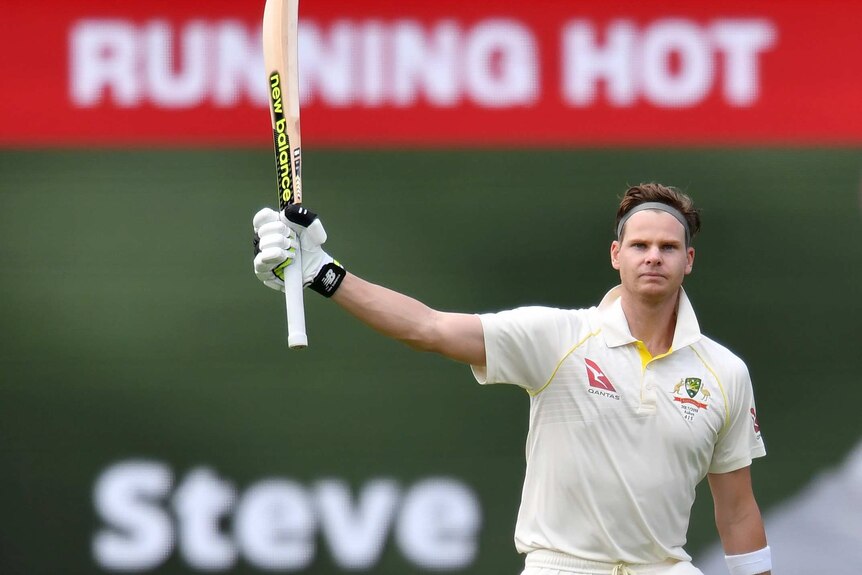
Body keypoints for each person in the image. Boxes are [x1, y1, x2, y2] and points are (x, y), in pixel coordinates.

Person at [252, 183, 771, 575]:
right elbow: (429, 327)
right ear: (617, 256)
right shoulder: (559, 336)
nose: (653, 256)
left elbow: (738, 509)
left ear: (689, 260)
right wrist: (323, 272)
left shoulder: (723, 372)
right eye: (639, 245)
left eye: (667, 247)